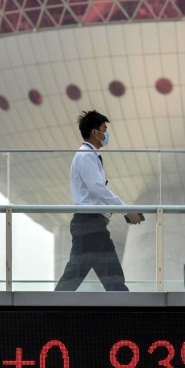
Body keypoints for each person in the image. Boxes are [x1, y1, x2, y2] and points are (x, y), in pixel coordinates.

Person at [54, 110, 143, 291]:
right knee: (112, 278)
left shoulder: (89, 156)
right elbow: (98, 189)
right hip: (90, 224)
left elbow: (96, 190)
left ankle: (47, 310)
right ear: (95, 132)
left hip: (90, 224)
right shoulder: (86, 156)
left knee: (76, 275)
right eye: (104, 129)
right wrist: (124, 209)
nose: (106, 134)